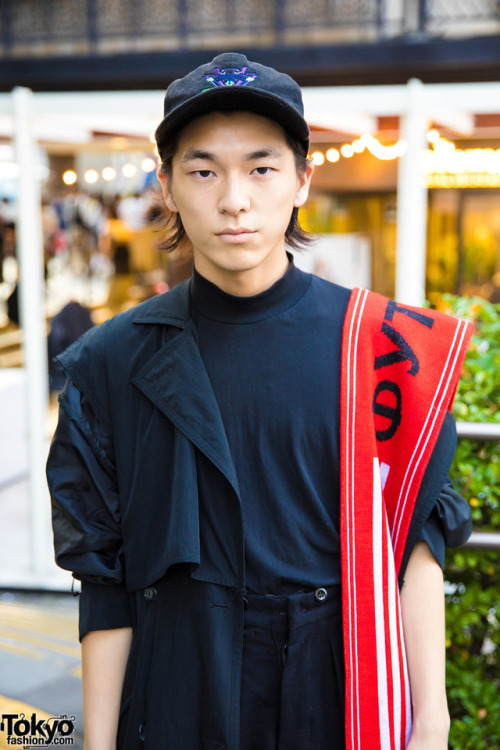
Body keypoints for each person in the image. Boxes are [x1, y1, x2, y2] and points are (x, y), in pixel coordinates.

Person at [47, 53, 472, 750]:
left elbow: (416, 543)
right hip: (177, 690)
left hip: (337, 692)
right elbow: (104, 579)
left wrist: (431, 724)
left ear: (303, 177)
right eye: (204, 169)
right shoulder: (109, 363)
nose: (234, 199)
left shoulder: (383, 345)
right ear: (167, 184)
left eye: (262, 168)